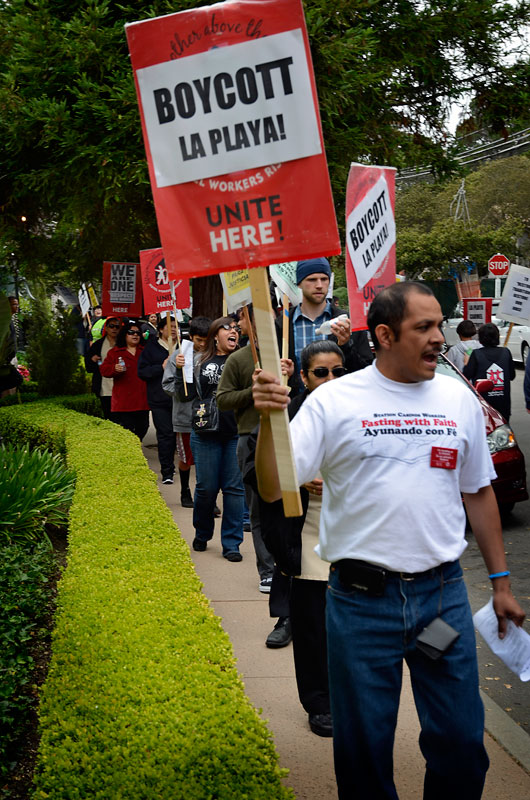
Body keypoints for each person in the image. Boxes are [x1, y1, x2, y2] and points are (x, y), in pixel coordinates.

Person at [252, 281, 525, 799]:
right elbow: (272, 485)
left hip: (440, 603)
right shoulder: (334, 401)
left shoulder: (456, 398)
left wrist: (501, 583)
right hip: (359, 608)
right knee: (363, 749)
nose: (438, 337)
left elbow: (479, 493)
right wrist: (270, 421)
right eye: (424, 327)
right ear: (383, 334)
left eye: (440, 324)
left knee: (462, 742)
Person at [245, 340, 347, 737]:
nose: (331, 379)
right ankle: (319, 703)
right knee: (312, 632)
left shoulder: (360, 413)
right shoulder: (287, 417)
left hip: (354, 543)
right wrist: (299, 479)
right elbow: (260, 477)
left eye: (338, 370)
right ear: (303, 377)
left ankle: (348, 697)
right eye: (321, 372)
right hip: (307, 541)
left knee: (351, 634)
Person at [217, 304, 293, 593]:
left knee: (290, 507)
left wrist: (294, 376)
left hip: (290, 435)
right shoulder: (237, 359)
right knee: (259, 509)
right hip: (250, 437)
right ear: (243, 324)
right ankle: (267, 570)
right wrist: (254, 390)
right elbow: (223, 400)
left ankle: (289, 565)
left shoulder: (287, 351)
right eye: (247, 318)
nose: (259, 322)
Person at [176, 317, 244, 562]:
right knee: (206, 488)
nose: (233, 331)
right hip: (205, 433)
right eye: (228, 328)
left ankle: (232, 543)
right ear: (215, 335)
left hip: (236, 432)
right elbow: (184, 396)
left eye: (236, 328)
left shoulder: (246, 359)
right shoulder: (197, 360)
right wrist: (179, 370)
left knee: (235, 490)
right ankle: (202, 533)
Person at [276, 257, 372, 395]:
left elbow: (365, 373)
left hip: (341, 406)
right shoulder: (282, 325)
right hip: (298, 409)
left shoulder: (348, 323)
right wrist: (287, 375)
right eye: (312, 280)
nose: (319, 285)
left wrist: (346, 346)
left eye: (324, 279)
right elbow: (272, 373)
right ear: (299, 283)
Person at [162, 315, 211, 507]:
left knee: (206, 461)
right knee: (186, 459)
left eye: (206, 341)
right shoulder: (180, 355)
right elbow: (166, 386)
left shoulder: (214, 355)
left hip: (209, 417)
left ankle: (206, 498)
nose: (202, 345)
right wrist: (180, 380)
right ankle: (185, 491)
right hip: (185, 418)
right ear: (191, 337)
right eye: (199, 340)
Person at [138, 315, 178, 484]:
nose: (174, 329)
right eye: (170, 326)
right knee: (165, 435)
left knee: (178, 435)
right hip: (159, 399)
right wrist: (161, 367)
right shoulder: (151, 348)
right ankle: (167, 471)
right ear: (161, 329)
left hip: (180, 399)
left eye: (176, 326)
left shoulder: (183, 347)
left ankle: (178, 467)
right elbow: (142, 372)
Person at [100, 321, 149, 439]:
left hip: (142, 400)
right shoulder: (115, 352)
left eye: (138, 333)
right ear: (124, 335)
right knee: (126, 430)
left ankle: (136, 447)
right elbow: (104, 370)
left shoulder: (145, 351)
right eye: (131, 332)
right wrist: (114, 368)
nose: (135, 335)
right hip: (123, 402)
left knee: (143, 427)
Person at [464, 322, 515, 421]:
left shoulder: (476, 354)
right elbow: (512, 376)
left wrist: (466, 363)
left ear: (481, 338)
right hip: (503, 404)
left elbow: (466, 375)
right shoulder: (506, 352)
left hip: (484, 405)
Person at [85, 317, 122, 418]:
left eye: (117, 327)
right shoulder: (97, 345)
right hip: (104, 387)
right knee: (108, 415)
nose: (114, 329)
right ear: (106, 328)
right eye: (111, 326)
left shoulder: (124, 344)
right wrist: (92, 360)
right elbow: (88, 367)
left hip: (121, 387)